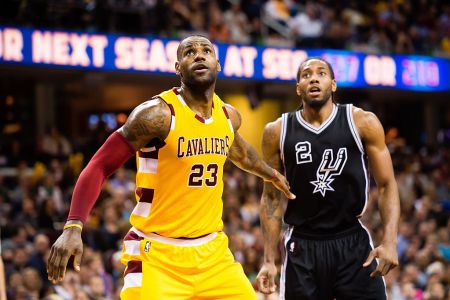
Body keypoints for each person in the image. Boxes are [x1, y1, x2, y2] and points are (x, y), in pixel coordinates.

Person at [46, 35, 295, 299]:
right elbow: (99, 165)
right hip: (157, 255)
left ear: (218, 64)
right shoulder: (157, 115)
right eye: (189, 52)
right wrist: (73, 226)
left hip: (213, 254)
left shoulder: (227, 116)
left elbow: (239, 151)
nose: (198, 55)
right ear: (177, 67)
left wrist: (272, 174)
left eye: (206, 51)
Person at [256, 57, 400, 299]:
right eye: (306, 74)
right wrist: (269, 260)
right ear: (298, 87)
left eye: (321, 73)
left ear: (333, 84)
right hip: (302, 245)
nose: (313, 77)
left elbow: (386, 185)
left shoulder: (362, 122)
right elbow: (270, 198)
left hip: (352, 241)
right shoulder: (277, 131)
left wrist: (390, 242)